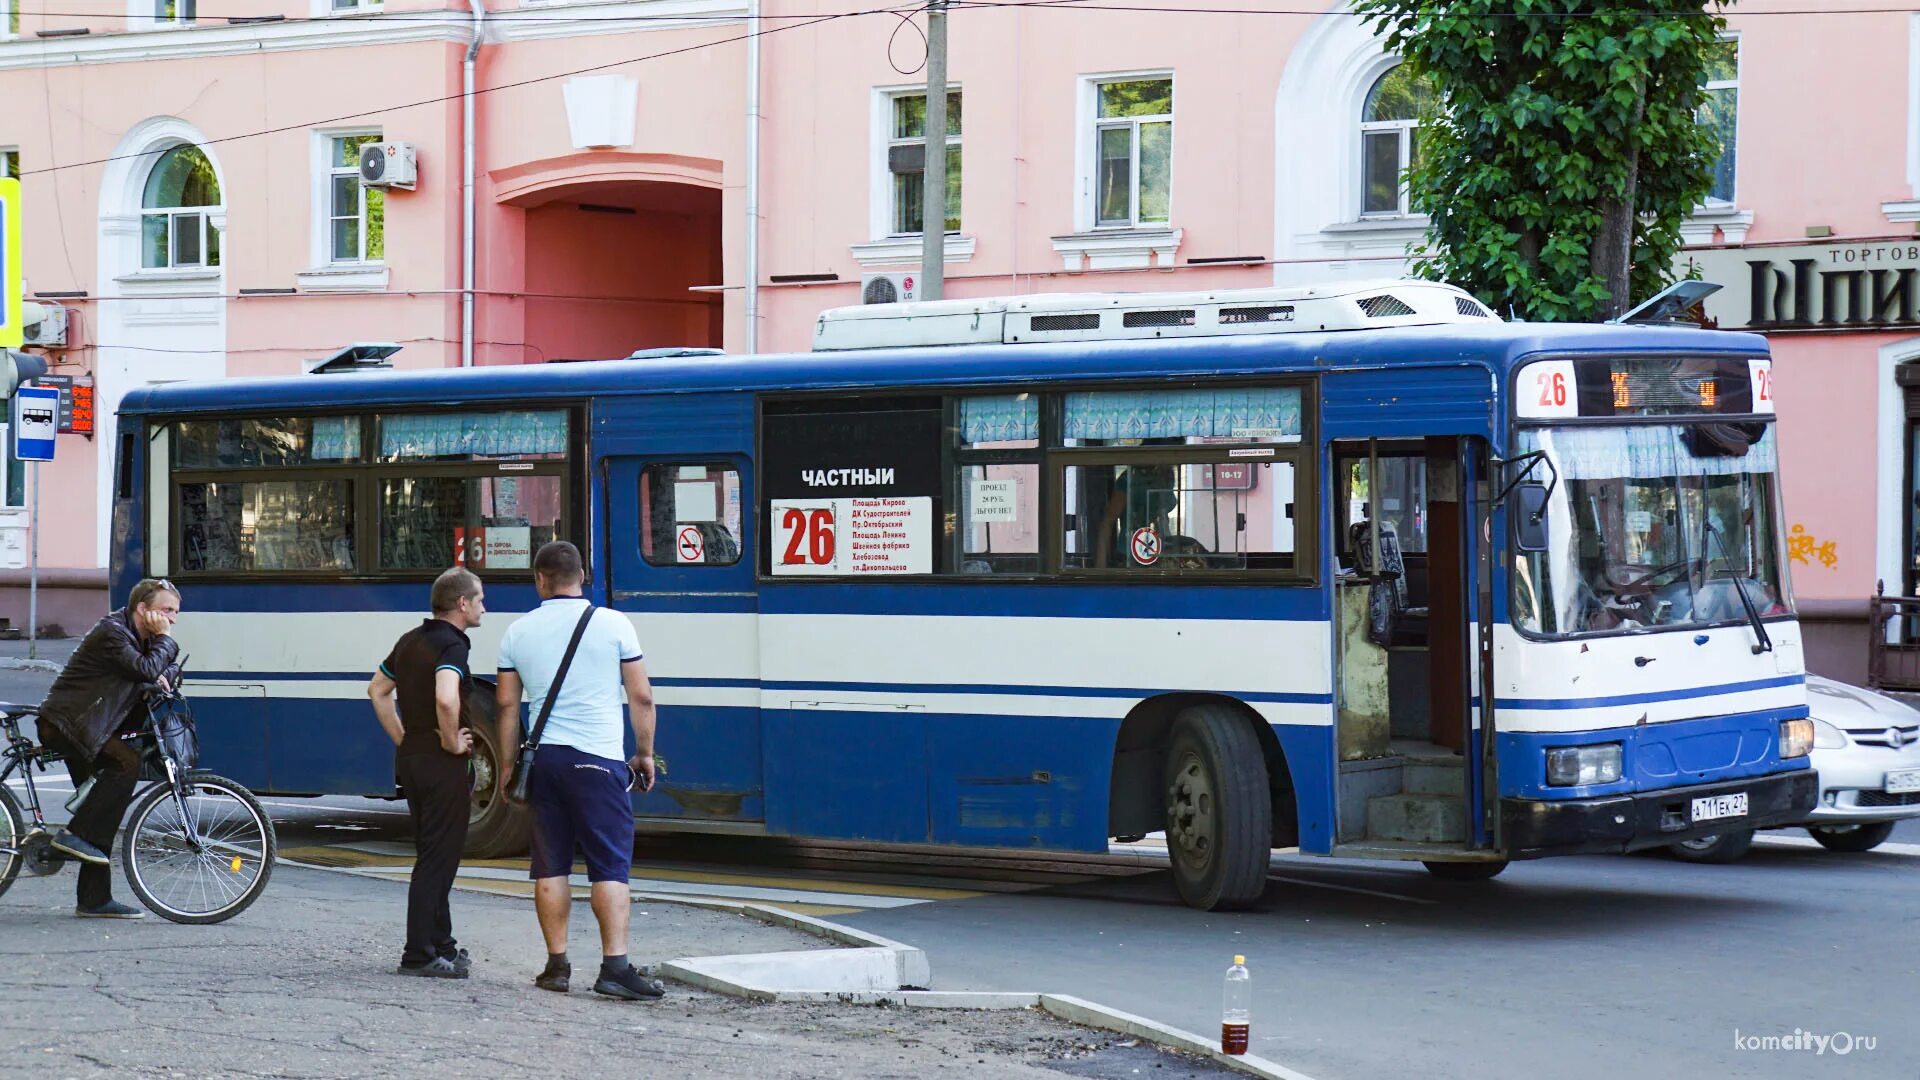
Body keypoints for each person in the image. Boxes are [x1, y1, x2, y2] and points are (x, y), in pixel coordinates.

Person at [494, 541, 662, 1001]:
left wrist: (509, 767)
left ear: (539, 579)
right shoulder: (613, 624)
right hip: (598, 761)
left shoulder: (517, 632)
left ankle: (557, 966)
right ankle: (615, 967)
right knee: (609, 866)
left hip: (545, 761)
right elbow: (641, 696)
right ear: (582, 575)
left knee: (550, 866)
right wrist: (644, 754)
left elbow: (507, 706)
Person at [36, 578, 182, 919]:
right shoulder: (113, 632)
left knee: (103, 806)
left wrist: (165, 673)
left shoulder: (143, 636)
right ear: (142, 609)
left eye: (175, 613)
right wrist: (163, 648)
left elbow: (165, 668)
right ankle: (73, 836)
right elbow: (146, 667)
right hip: (66, 724)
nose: (172, 619)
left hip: (93, 728)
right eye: (166, 610)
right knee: (125, 764)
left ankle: (94, 899)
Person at [368, 567, 485, 978]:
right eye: (480, 600)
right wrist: (452, 741)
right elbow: (447, 698)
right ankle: (418, 954)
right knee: (438, 860)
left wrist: (405, 739)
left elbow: (377, 691)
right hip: (441, 763)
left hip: (413, 758)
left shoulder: (409, 640)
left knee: (433, 852)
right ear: (462, 604)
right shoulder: (452, 646)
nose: (483, 608)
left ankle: (443, 945)